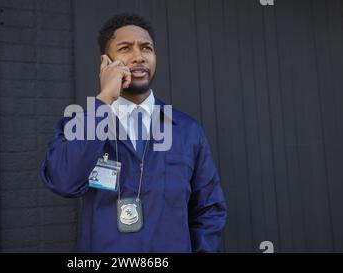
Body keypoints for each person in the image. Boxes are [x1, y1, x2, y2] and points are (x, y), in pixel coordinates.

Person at [40, 13, 226, 253]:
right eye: (126, 48)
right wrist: (105, 99)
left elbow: (209, 209)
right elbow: (63, 182)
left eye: (146, 48)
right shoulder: (80, 124)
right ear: (106, 62)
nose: (139, 57)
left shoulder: (186, 130)